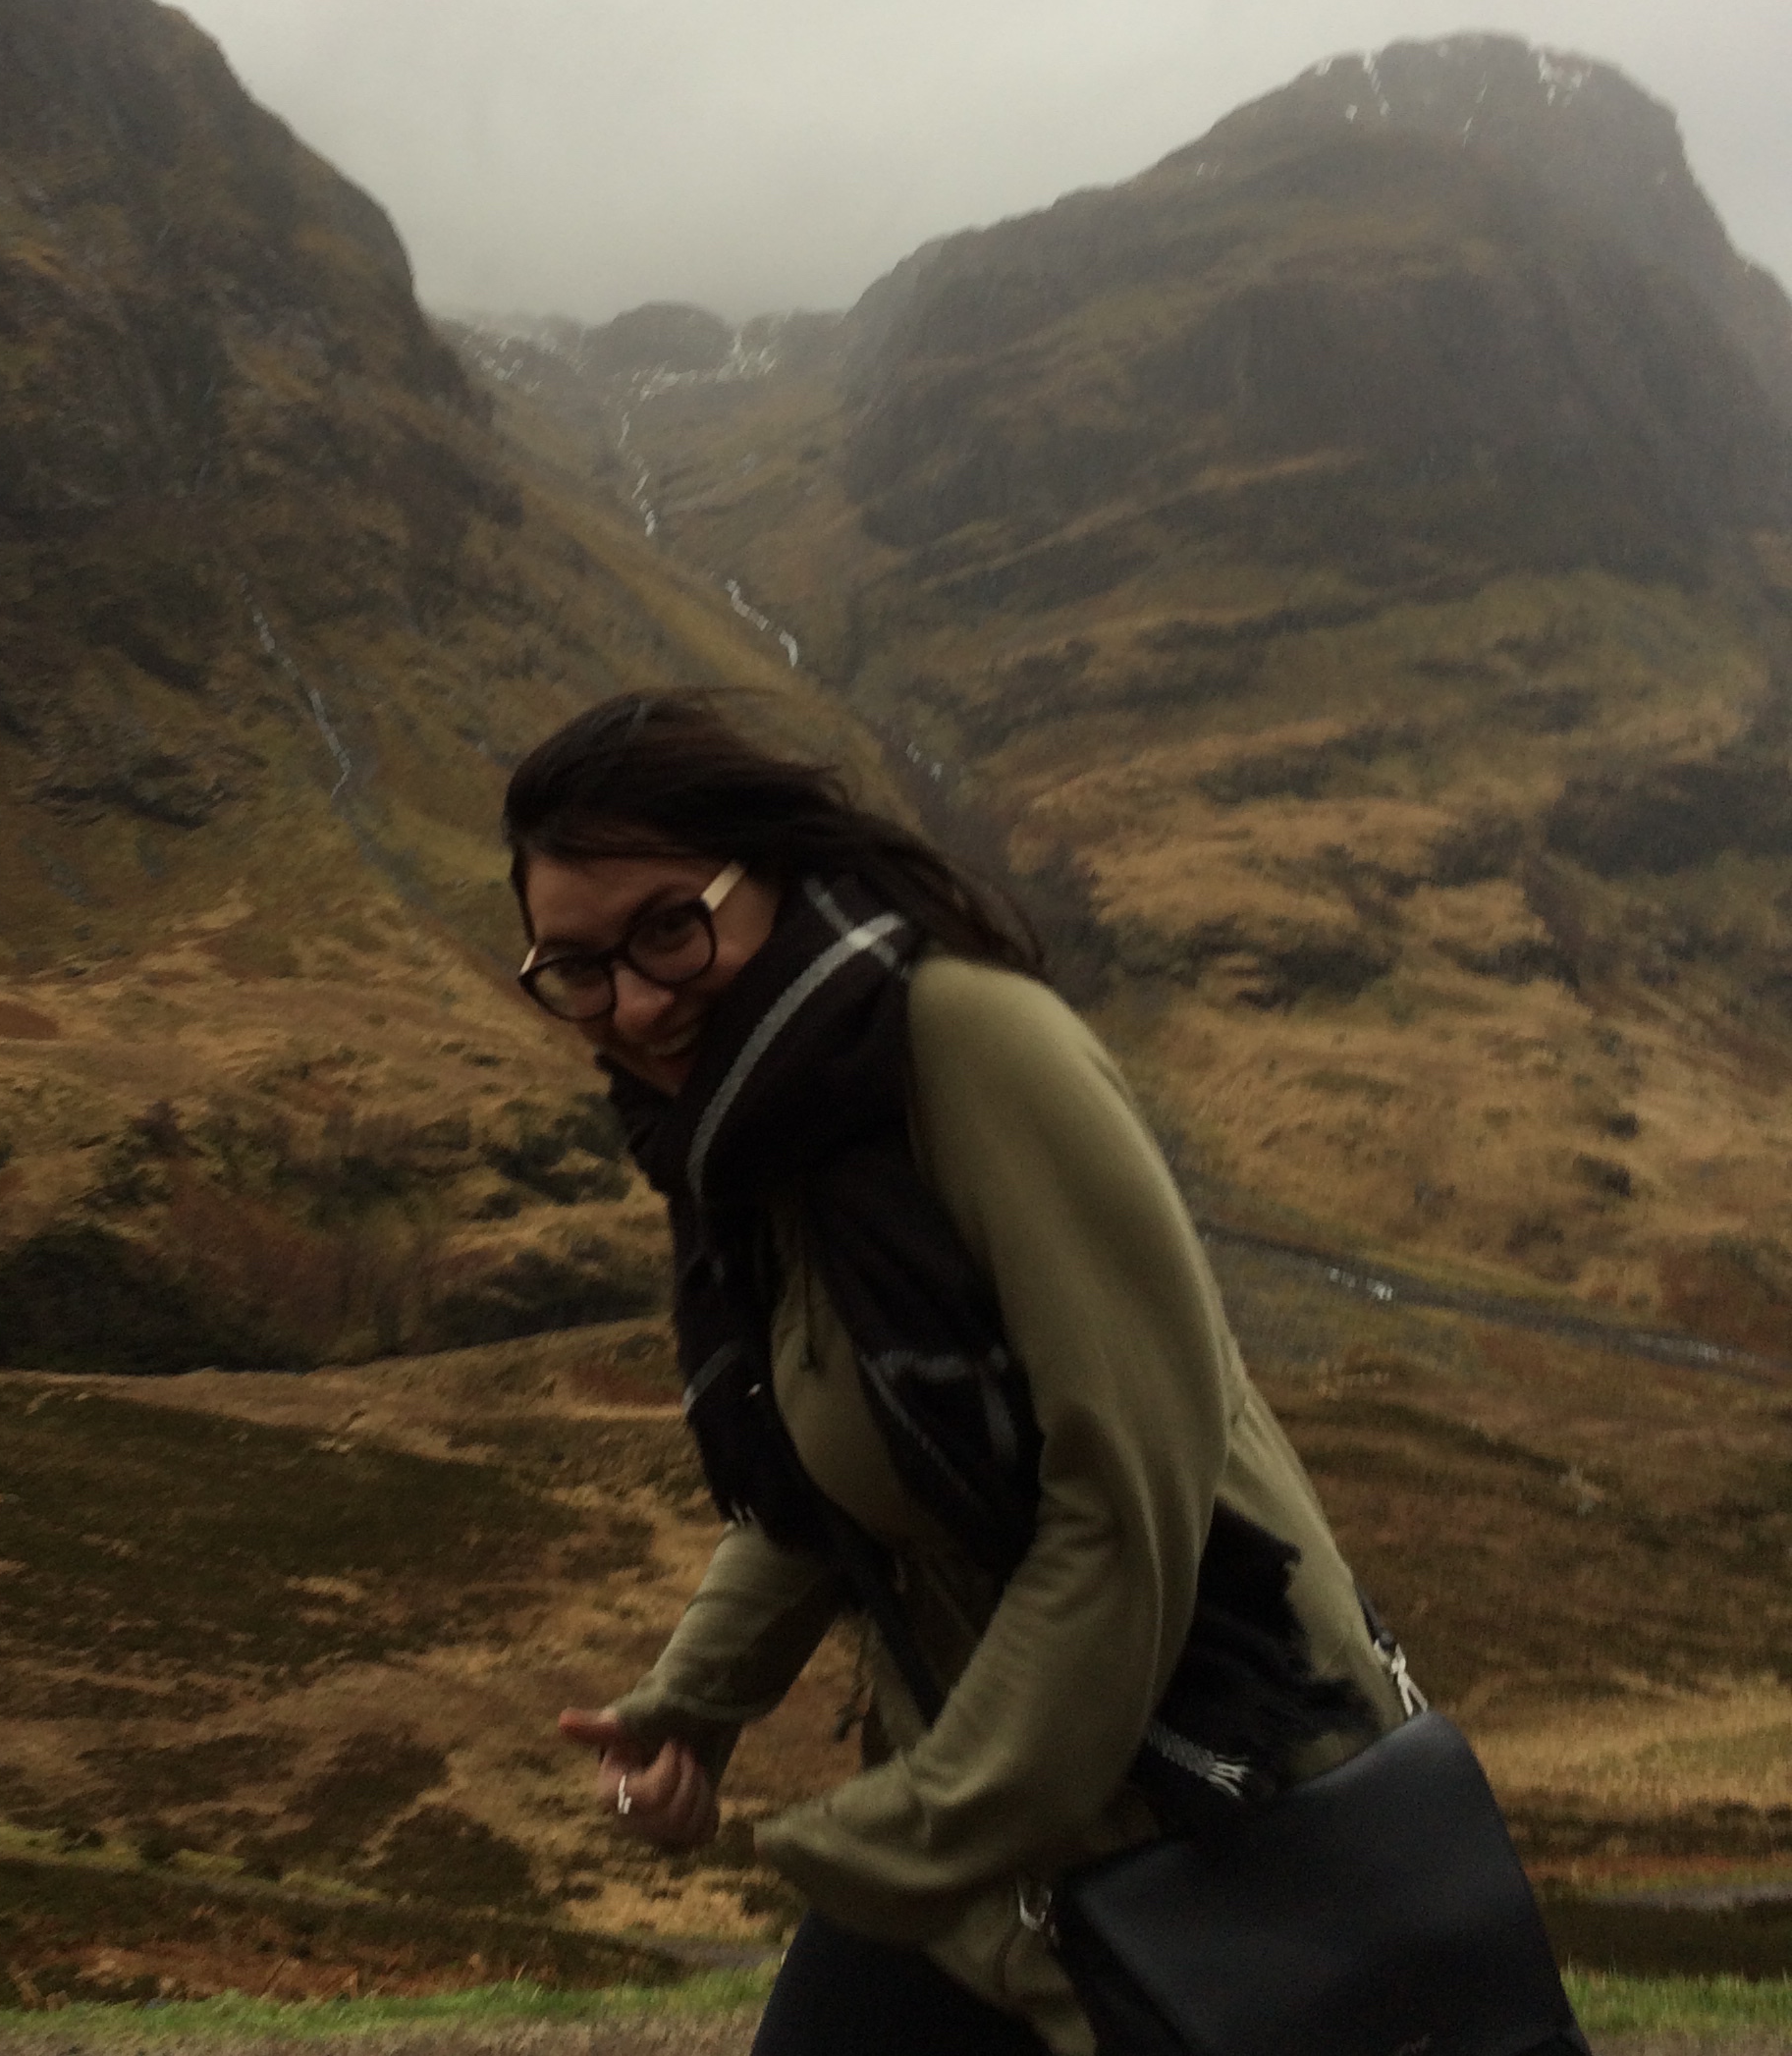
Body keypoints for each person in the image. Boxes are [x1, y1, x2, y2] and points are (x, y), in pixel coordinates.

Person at [502, 691, 1408, 2056]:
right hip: (993, 1814)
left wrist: (912, 1830)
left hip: (1214, 1798)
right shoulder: (753, 1133)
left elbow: (1126, 1506)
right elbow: (828, 1470)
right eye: (578, 967)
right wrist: (686, 1706)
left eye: (669, 928)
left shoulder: (971, 1046)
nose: (632, 1002)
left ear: (773, 876)